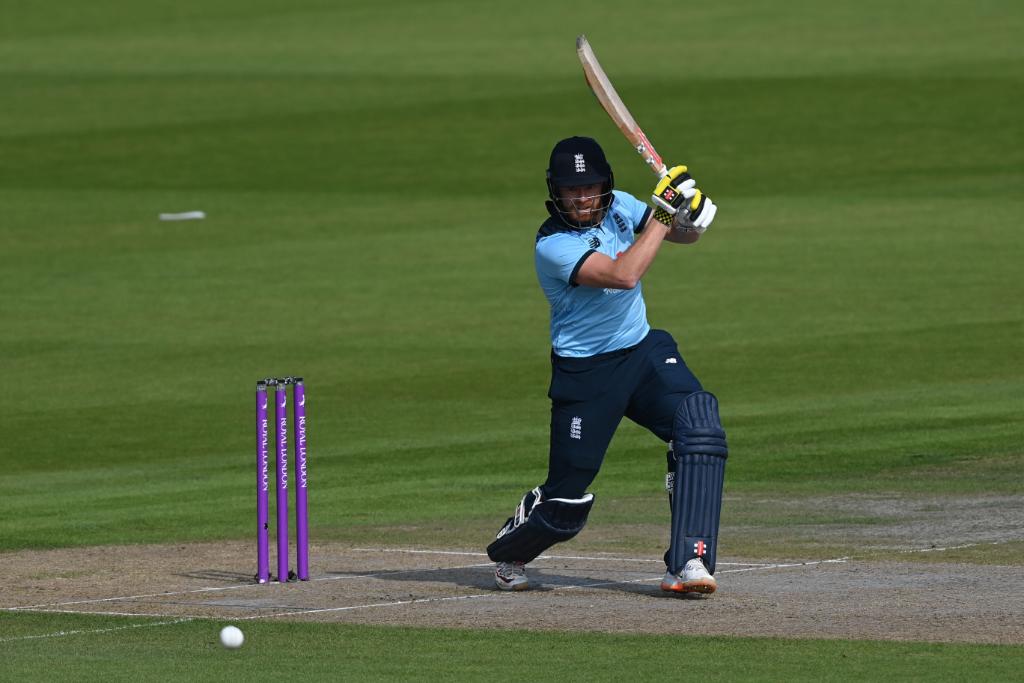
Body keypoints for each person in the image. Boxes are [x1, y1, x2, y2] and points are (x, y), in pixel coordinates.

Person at [485, 136, 729, 596]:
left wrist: (690, 217)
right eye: (571, 190)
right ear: (555, 192)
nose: (581, 198)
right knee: (567, 500)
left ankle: (689, 562)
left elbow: (677, 235)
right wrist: (663, 211)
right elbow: (623, 274)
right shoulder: (552, 245)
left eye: (590, 187)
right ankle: (510, 551)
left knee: (699, 428)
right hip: (587, 374)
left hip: (642, 352)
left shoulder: (620, 204)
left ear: (606, 185)